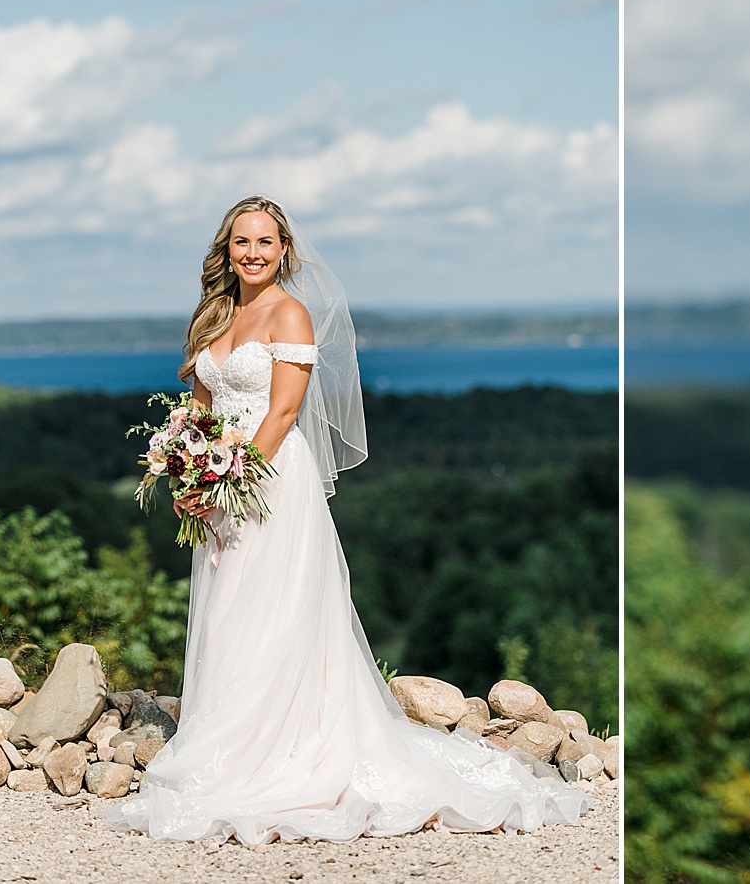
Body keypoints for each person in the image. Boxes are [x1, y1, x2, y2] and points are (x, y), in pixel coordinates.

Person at [102, 196, 590, 843]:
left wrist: (228, 480)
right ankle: (227, 746)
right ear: (225, 250)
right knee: (226, 615)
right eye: (241, 242)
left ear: (283, 252)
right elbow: (201, 406)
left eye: (265, 243)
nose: (252, 253)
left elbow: (281, 412)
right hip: (220, 475)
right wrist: (189, 476)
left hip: (269, 481)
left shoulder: (291, 312)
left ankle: (286, 754)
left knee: (271, 612)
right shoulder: (214, 316)